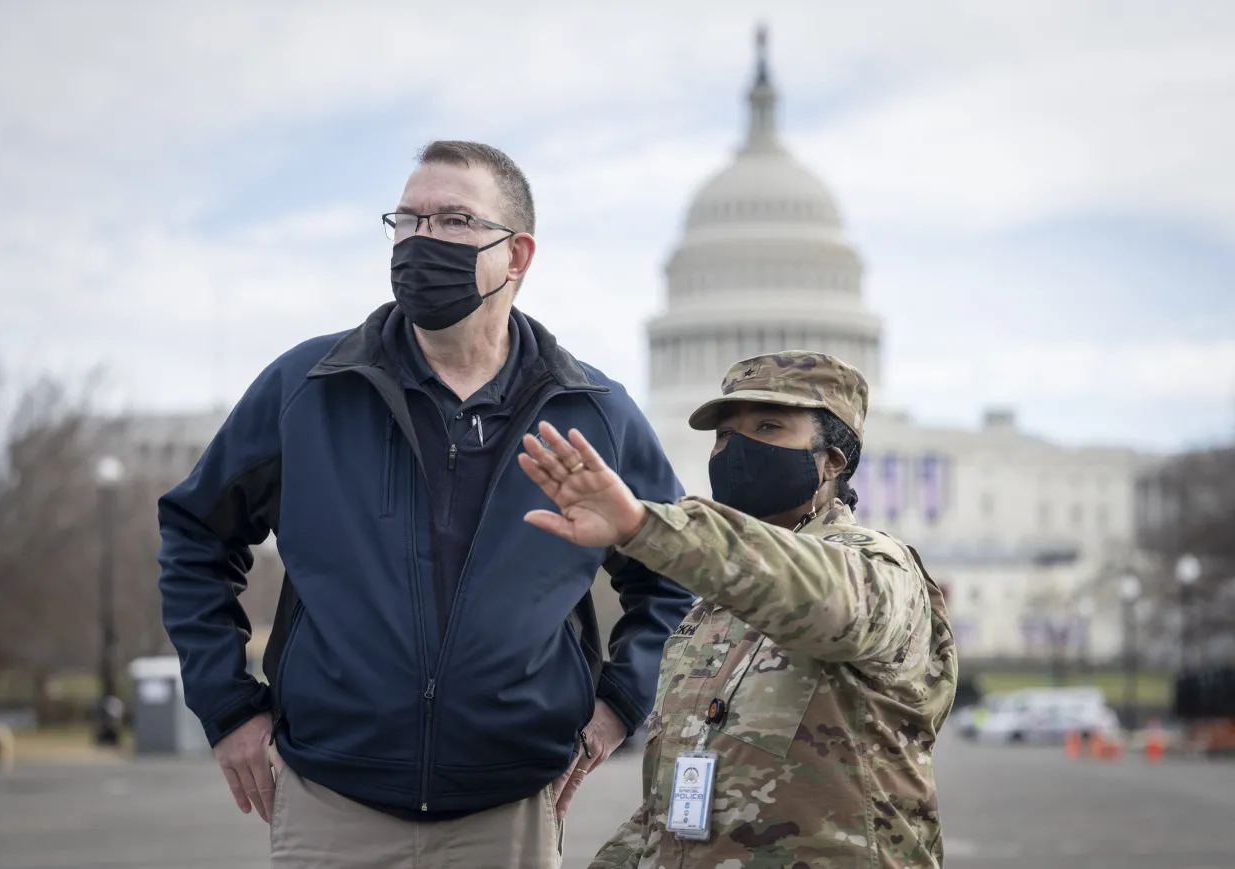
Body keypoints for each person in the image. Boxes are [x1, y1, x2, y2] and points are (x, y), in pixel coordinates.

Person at [157, 140, 695, 869]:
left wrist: (618, 707)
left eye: (452, 221)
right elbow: (195, 534)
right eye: (406, 221)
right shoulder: (306, 388)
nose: (420, 241)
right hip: (331, 802)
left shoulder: (593, 414)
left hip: (507, 811)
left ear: (518, 255)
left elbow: (674, 569)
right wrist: (228, 709)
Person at [516, 351, 959, 869]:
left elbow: (822, 596)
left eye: (769, 426)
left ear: (832, 460)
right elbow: (678, 807)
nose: (736, 449)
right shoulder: (711, 609)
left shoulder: (881, 567)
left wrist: (647, 528)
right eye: (725, 435)